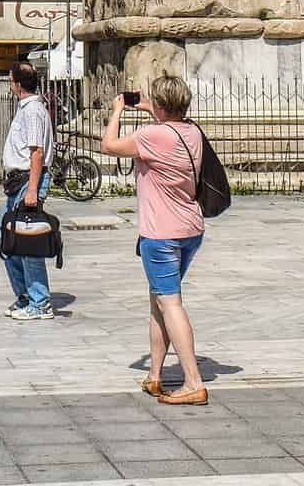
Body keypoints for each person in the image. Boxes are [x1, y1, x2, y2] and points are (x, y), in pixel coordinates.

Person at [100, 75, 208, 405]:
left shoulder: (152, 136)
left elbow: (109, 145)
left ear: (160, 106)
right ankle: (156, 376)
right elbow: (169, 127)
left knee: (169, 303)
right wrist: (153, 107)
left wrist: (118, 111)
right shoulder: (192, 131)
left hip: (161, 234)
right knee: (159, 301)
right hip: (190, 228)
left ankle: (193, 382)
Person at [0, 62, 54, 322]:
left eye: (11, 80)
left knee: (27, 241)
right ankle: (25, 296)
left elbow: (37, 153)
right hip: (18, 183)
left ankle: (40, 302)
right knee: (6, 238)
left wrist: (32, 189)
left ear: (17, 84)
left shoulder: (32, 111)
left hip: (27, 182)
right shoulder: (27, 108)